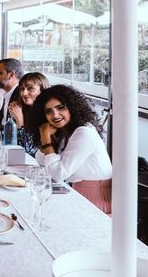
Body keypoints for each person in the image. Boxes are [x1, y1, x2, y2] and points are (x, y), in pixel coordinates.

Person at [30, 85, 112, 214]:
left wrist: (45, 137)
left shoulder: (84, 132)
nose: (55, 115)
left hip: (96, 195)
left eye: (60, 108)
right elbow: (42, 161)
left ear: (72, 107)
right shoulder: (67, 131)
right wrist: (49, 139)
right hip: (79, 189)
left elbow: (58, 174)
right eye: (48, 111)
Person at [8, 72, 49, 156]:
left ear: (42, 90)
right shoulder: (24, 110)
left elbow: (27, 151)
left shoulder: (48, 115)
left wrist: (20, 120)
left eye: (30, 88)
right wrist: (12, 120)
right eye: (22, 89)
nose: (24, 93)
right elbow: (12, 143)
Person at [0, 58, 23, 130]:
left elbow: (11, 129)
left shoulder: (21, 96)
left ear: (11, 75)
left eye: (0, 73)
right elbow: (2, 119)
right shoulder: (8, 92)